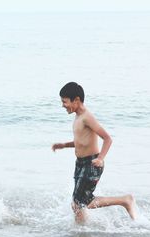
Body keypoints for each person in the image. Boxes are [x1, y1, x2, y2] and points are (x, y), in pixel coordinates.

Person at [51, 82, 136, 224]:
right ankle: (83, 231)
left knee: (80, 203)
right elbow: (81, 142)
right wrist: (64, 145)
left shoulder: (86, 117)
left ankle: (125, 200)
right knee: (77, 204)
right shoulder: (77, 117)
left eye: (64, 101)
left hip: (92, 163)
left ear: (76, 100)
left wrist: (101, 158)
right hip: (81, 164)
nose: (63, 105)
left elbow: (107, 139)